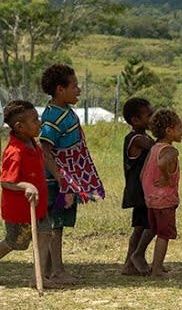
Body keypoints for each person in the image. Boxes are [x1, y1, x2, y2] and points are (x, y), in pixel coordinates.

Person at [38, 64, 104, 285]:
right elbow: (45, 151)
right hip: (55, 182)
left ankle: (48, 271)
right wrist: (61, 179)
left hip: (64, 180)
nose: (79, 91)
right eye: (74, 86)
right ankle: (56, 271)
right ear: (60, 89)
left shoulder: (64, 113)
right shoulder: (52, 118)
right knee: (55, 225)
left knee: (57, 225)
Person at [1, 100, 59, 288]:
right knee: (14, 243)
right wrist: (26, 185)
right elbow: (6, 180)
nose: (39, 123)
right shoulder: (15, 152)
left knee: (45, 234)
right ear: (19, 126)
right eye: (34, 120)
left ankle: (39, 277)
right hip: (20, 211)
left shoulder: (32, 144)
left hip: (37, 206)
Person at [141, 109, 182, 279]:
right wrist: (166, 179)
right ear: (169, 131)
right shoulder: (171, 151)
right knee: (164, 236)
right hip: (165, 201)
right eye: (179, 128)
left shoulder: (153, 148)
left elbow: (143, 173)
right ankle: (156, 270)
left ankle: (152, 263)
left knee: (155, 231)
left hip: (151, 200)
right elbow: (161, 164)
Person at [121, 97, 156, 275]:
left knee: (140, 227)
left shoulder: (142, 136)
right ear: (135, 119)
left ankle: (129, 264)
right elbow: (157, 148)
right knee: (153, 223)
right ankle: (138, 255)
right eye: (149, 115)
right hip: (141, 190)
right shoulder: (137, 139)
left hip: (141, 190)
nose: (152, 118)